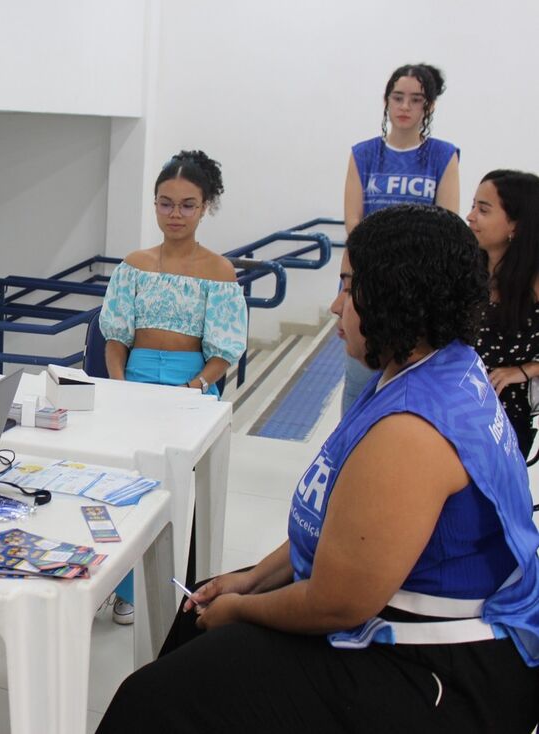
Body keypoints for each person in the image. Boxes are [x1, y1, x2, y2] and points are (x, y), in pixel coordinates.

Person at [97, 205, 539, 733]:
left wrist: (242, 609)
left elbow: (337, 604)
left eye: (349, 288)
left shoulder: (413, 432)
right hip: (387, 617)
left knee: (153, 700)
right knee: (202, 607)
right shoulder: (427, 366)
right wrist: (250, 578)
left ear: (396, 296)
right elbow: (344, 530)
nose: (334, 306)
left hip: (442, 669)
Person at [98, 150, 248, 624]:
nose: (175, 215)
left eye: (187, 204)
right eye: (165, 203)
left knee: (175, 488)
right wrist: (120, 384)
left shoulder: (219, 272)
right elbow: (117, 336)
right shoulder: (134, 265)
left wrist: (197, 385)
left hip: (191, 385)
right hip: (136, 381)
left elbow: (226, 347)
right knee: (126, 481)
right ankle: (118, 586)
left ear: (205, 207)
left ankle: (174, 587)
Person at [340, 63, 460, 412]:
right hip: (370, 288)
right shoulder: (363, 154)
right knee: (360, 387)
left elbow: (446, 226)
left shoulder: (443, 155)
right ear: (386, 101)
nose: (405, 107)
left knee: (411, 391)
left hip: (419, 293)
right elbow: (354, 223)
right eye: (398, 97)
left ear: (430, 106)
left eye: (416, 99)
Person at [469, 169, 539, 458]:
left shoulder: (534, 282)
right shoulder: (467, 268)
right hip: (454, 409)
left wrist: (525, 370)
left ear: (517, 225)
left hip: (504, 420)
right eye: (473, 206)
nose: (470, 216)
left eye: (483, 210)